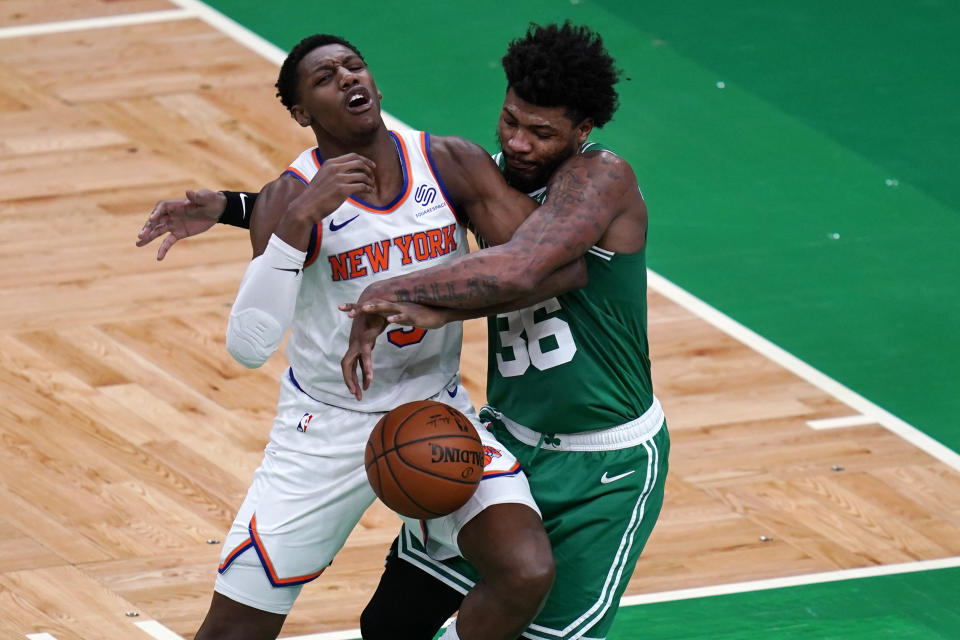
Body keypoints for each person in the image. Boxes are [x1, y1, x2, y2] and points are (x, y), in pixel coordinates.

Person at [138, 22, 669, 640]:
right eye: (511, 123)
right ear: (299, 110)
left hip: (547, 441)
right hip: (363, 425)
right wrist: (248, 206)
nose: (519, 144)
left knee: (526, 588)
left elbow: (538, 266)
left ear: (582, 130)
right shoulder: (478, 171)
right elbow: (341, 236)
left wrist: (401, 296)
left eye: (541, 133)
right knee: (367, 624)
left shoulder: (556, 174)